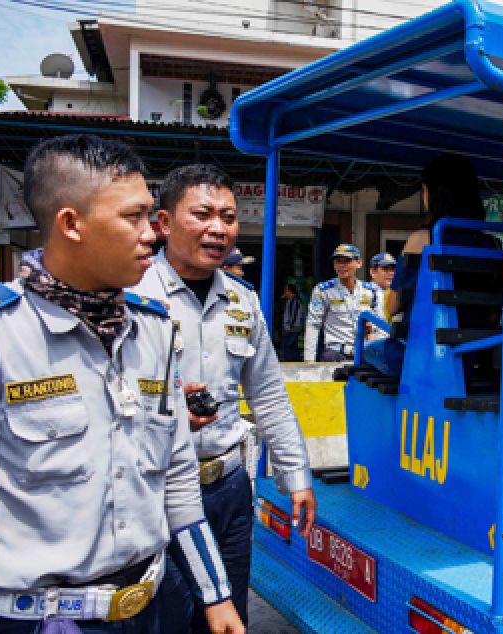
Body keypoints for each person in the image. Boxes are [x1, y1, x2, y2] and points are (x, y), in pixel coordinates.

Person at [0, 135, 243, 633]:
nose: (152, 233)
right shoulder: (2, 334)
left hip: (153, 608)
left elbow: (175, 475)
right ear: (71, 224)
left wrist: (216, 596)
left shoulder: (152, 329)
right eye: (133, 217)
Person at [133, 163, 315, 632]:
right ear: (164, 223)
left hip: (229, 489)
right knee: (170, 619)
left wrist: (296, 475)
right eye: (202, 214)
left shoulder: (242, 299)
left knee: (229, 617)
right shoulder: (130, 294)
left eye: (229, 216)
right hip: (156, 492)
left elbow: (269, 395)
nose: (218, 228)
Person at [366, 153, 501, 377]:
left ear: (431, 193)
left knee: (369, 349)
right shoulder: (491, 244)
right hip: (469, 359)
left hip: (422, 359)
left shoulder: (423, 239)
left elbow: (392, 306)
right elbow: (492, 316)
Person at [303, 243, 378, 361]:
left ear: (359, 263)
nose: (342, 266)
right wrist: (309, 360)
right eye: (338, 261)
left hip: (363, 353)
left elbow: (375, 326)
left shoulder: (370, 290)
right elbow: (313, 324)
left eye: (347, 261)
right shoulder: (323, 290)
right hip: (335, 353)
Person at [366, 252, 396, 340]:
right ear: (373, 272)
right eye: (385, 269)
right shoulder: (366, 292)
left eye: (393, 269)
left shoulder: (394, 294)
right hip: (375, 346)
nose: (391, 273)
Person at [279, 282, 304, 362]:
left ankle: (291, 362)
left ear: (290, 291)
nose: (284, 292)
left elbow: (294, 315)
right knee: (292, 346)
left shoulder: (295, 301)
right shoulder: (290, 301)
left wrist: (289, 328)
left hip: (293, 328)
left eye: (286, 290)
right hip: (291, 328)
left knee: (288, 346)